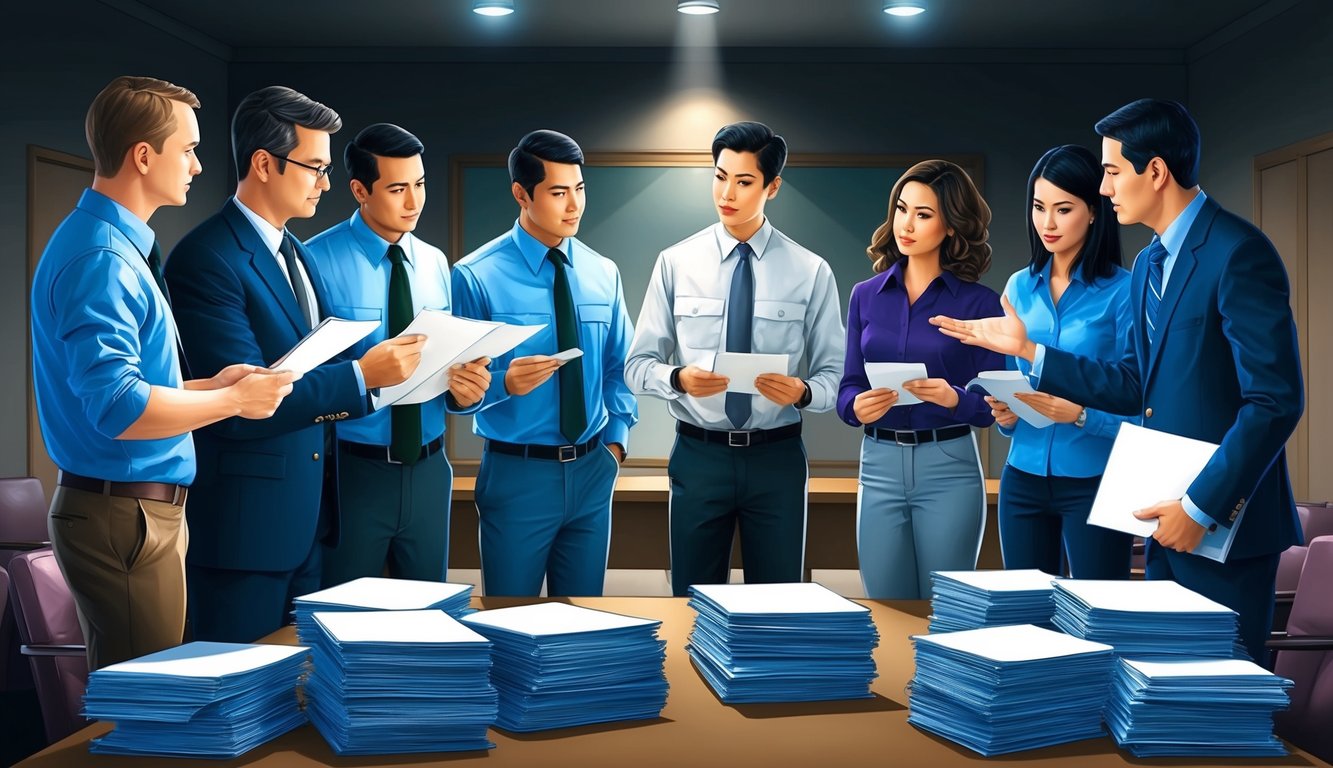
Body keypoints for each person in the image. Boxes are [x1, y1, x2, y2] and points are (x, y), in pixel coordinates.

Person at [931, 99, 1303, 663]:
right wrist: (1029, 349)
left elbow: (1274, 401)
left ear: (1154, 172)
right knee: (1156, 695)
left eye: (1111, 172)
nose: (1105, 190)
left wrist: (1200, 506)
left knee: (1215, 704)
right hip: (1160, 513)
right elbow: (1134, 388)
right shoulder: (1153, 263)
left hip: (1220, 521)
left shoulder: (1239, 253)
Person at [30, 76, 295, 668]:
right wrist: (235, 403)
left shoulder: (110, 246)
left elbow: (134, 389)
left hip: (132, 511)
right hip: (124, 516)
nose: (199, 167)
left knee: (147, 700)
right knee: (142, 713)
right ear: (144, 156)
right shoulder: (103, 258)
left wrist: (212, 388)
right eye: (189, 150)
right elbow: (120, 407)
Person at [165, 87, 426, 642]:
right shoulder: (206, 258)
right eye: (314, 167)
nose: (326, 184)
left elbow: (323, 360)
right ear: (264, 163)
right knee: (239, 692)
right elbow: (240, 403)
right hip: (244, 532)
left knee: (301, 693)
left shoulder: (296, 251)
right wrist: (363, 376)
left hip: (310, 521)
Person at [626, 121, 844, 597]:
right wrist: (679, 378)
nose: (727, 193)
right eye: (720, 176)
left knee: (779, 606)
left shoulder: (810, 271)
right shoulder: (675, 263)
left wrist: (805, 392)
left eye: (744, 181)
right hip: (698, 457)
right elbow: (637, 365)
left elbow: (835, 376)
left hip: (778, 458)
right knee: (692, 602)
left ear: (773, 186)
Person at [451, 130, 638, 597]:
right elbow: (451, 388)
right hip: (518, 475)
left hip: (593, 469)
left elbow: (621, 367)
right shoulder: (476, 276)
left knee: (583, 622)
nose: (574, 205)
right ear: (521, 193)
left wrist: (615, 444)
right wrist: (502, 384)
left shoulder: (603, 272)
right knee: (509, 619)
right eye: (558, 193)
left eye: (579, 189)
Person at [306, 123, 490, 586]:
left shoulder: (433, 262)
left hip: (430, 469)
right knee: (344, 619)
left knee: (430, 621)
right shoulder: (314, 261)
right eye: (398, 188)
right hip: (352, 473)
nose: (415, 202)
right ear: (359, 190)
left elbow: (446, 369)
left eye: (421, 184)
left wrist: (466, 390)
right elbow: (307, 379)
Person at [837, 159, 1003, 600]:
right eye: (902, 209)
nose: (905, 225)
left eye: (923, 214)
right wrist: (854, 406)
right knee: (884, 606)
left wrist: (956, 400)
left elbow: (996, 406)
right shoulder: (864, 296)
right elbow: (847, 384)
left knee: (945, 611)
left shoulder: (979, 303)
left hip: (948, 464)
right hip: (878, 464)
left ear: (951, 227)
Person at [989, 145, 1134, 579]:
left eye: (1063, 209)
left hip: (1096, 479)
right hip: (1022, 476)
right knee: (1025, 617)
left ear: (1093, 211)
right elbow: (1015, 379)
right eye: (1038, 207)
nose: (1047, 223)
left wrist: (1082, 416)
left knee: (1099, 613)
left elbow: (1138, 396)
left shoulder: (1125, 290)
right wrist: (1005, 414)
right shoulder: (1019, 286)